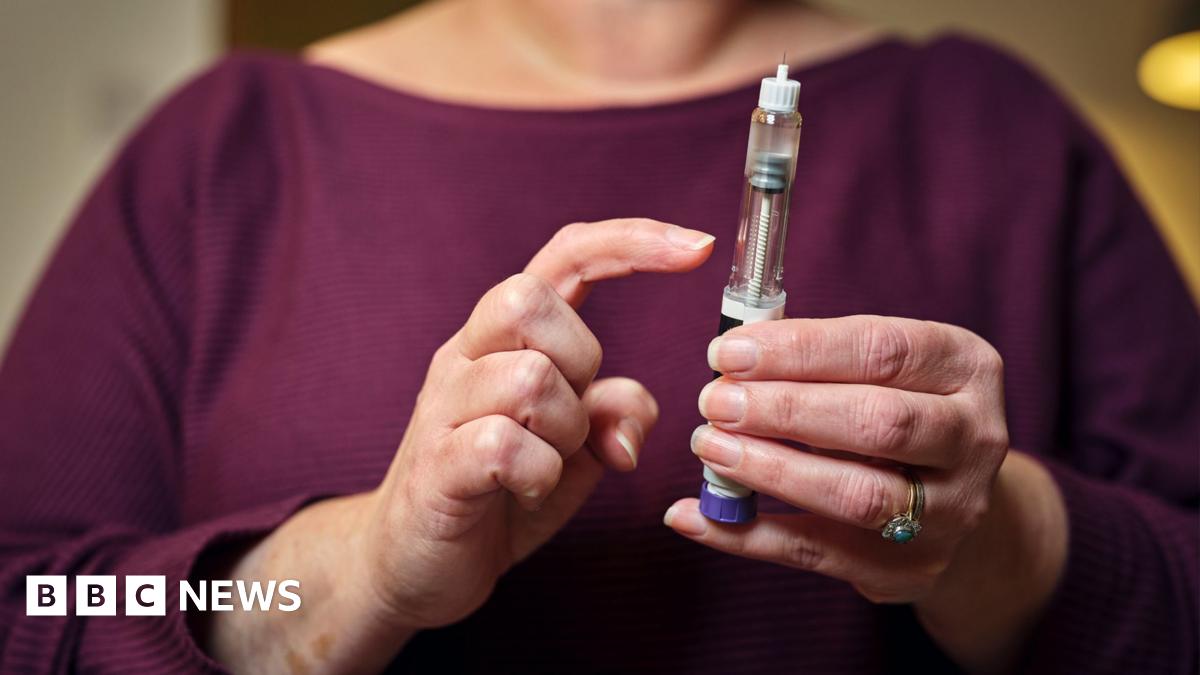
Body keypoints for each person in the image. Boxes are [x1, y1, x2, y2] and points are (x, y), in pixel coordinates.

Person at [1, 1, 1196, 673]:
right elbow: (30, 605)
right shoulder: (228, 148)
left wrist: (1007, 544)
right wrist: (349, 576)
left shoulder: (1001, 130)